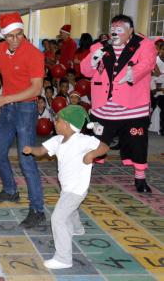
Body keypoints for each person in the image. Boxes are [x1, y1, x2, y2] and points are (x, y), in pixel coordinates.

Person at [22, 105, 109, 269]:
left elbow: (104, 147)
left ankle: (63, 258)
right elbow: (41, 150)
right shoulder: (57, 140)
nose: (54, 123)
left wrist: (91, 154)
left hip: (77, 189)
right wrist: (31, 150)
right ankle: (77, 229)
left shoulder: (83, 140)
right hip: (67, 187)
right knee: (70, 209)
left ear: (68, 124)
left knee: (58, 218)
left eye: (58, 120)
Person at [0, 12, 45, 228]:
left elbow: (36, 88)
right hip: (6, 107)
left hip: (26, 107)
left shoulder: (34, 54)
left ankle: (37, 210)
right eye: (11, 36)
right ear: (4, 36)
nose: (16, 40)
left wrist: (4, 98)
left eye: (19, 35)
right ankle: (10, 191)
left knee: (26, 159)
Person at [80, 14, 157, 193]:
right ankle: (86, 173)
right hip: (103, 108)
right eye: (113, 29)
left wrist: (133, 73)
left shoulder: (144, 44)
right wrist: (94, 59)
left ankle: (140, 178)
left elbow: (147, 63)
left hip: (133, 108)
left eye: (120, 30)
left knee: (137, 143)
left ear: (130, 31)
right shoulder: (100, 46)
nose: (115, 33)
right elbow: (85, 70)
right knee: (95, 141)